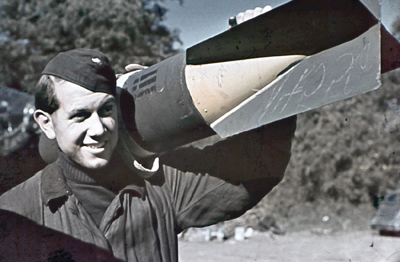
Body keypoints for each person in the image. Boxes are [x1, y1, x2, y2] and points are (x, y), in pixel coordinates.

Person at [0, 10, 296, 262]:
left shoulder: (160, 186)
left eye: (106, 110)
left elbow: (256, 169)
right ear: (46, 123)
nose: (99, 128)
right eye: (80, 115)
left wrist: (260, 56)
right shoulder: (15, 211)